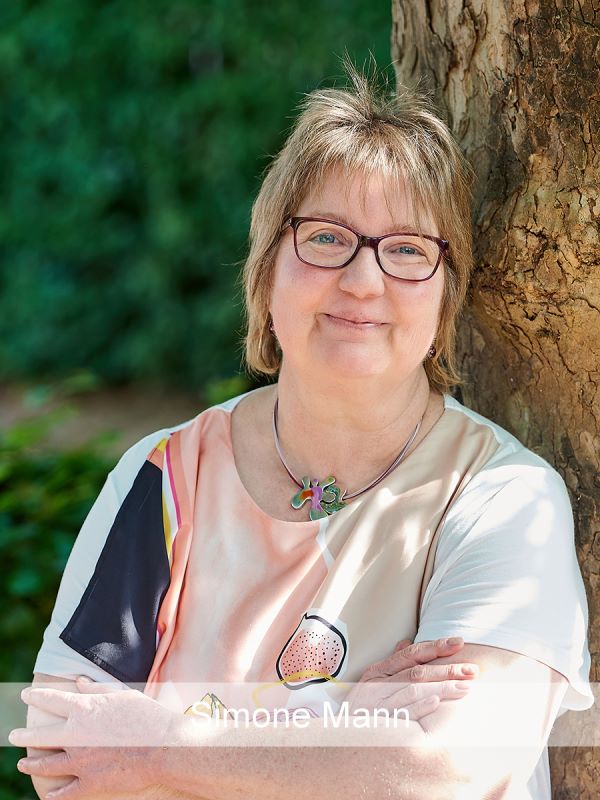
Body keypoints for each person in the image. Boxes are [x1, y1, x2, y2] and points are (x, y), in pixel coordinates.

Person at [11, 60, 592, 800]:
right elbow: (64, 756)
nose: (363, 280)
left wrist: (158, 747)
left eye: (408, 250)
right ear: (266, 270)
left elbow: (452, 771)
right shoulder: (168, 475)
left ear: (446, 296)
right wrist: (352, 730)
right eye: (325, 238)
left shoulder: (500, 498)